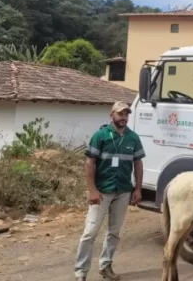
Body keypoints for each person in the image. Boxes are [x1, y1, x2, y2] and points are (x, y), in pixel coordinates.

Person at [74, 101, 145, 281]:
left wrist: (137, 188)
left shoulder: (133, 138)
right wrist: (92, 191)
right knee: (90, 232)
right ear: (111, 115)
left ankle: (105, 266)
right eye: (120, 114)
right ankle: (81, 272)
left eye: (127, 114)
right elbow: (90, 163)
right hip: (102, 192)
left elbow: (138, 163)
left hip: (123, 191)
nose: (124, 118)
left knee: (114, 232)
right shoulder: (100, 135)